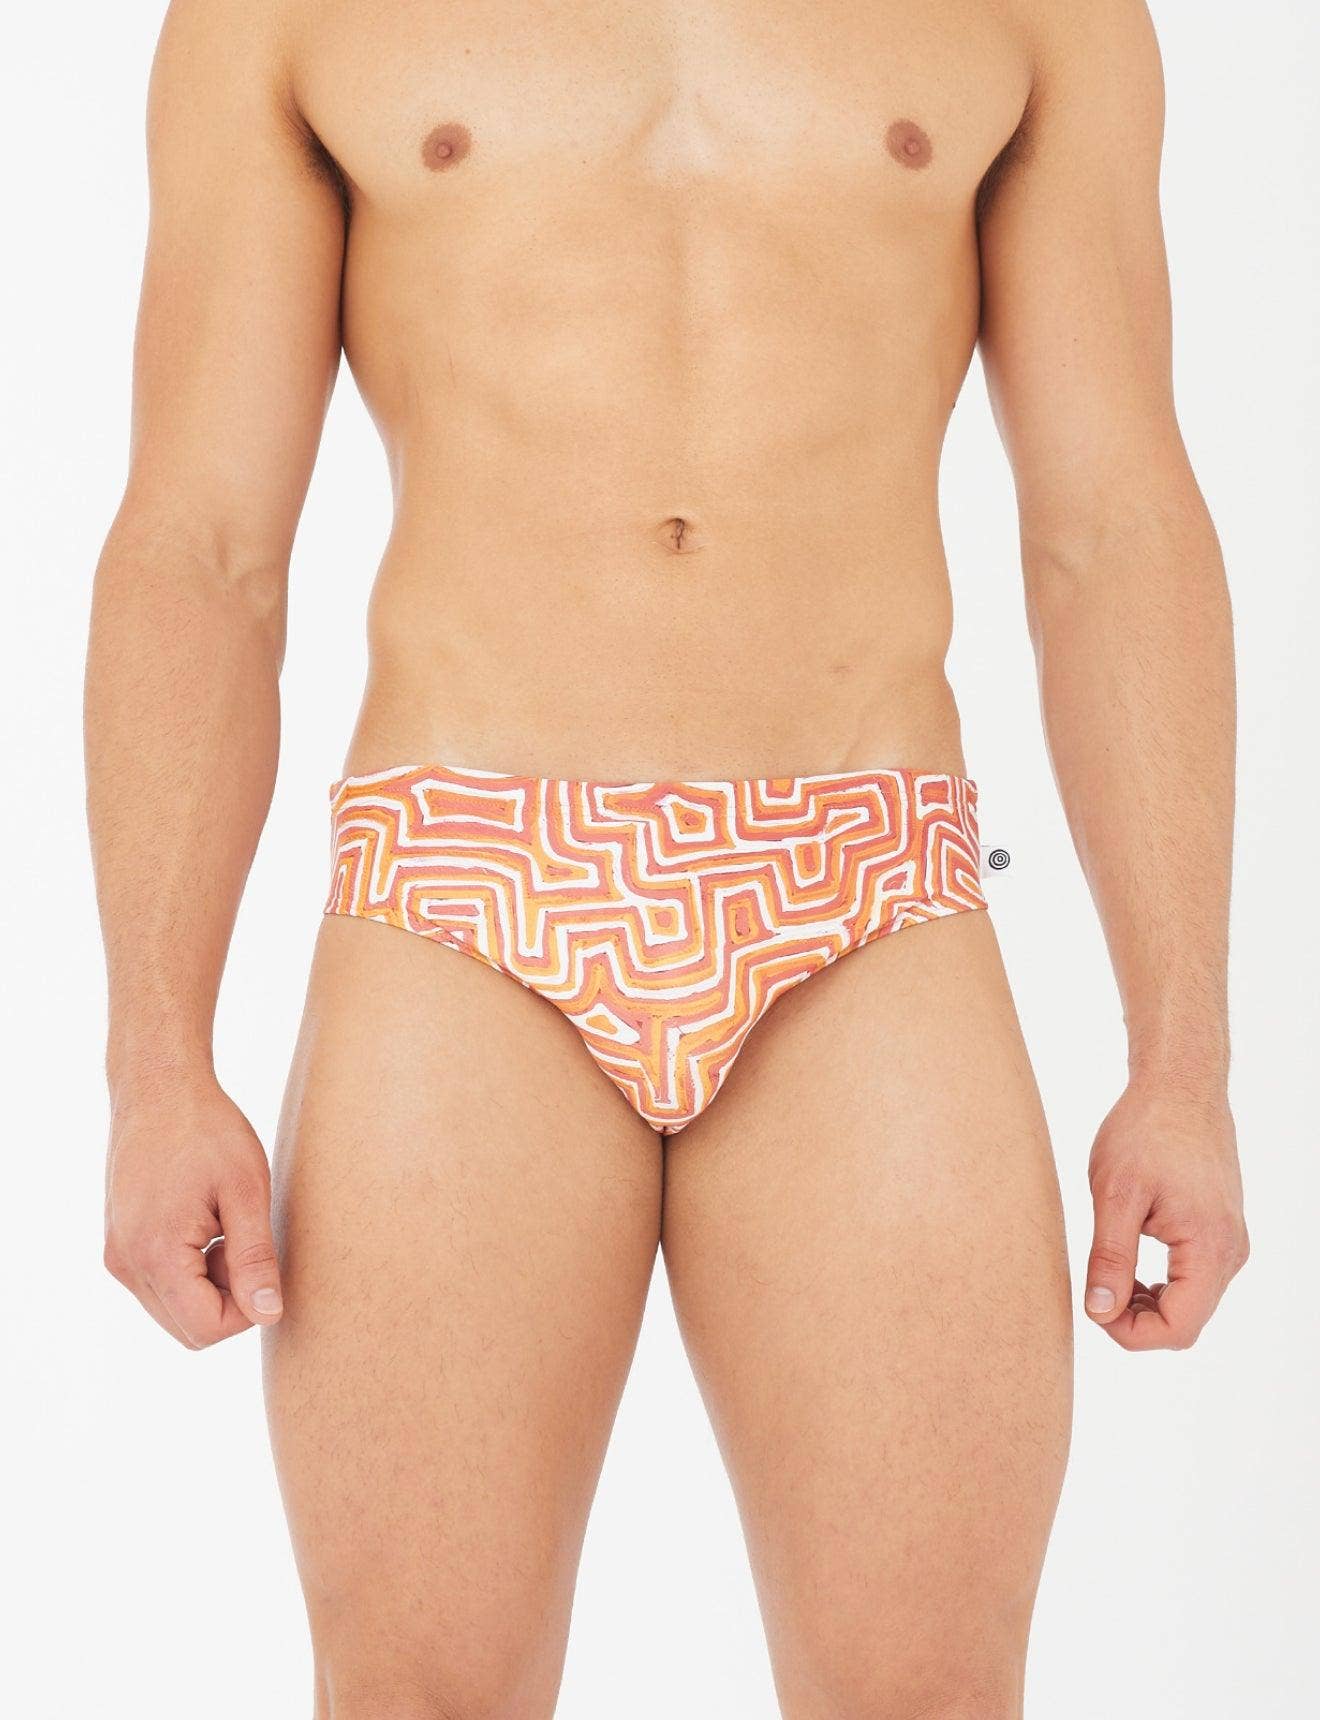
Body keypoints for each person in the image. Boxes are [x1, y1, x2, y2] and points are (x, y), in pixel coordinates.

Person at [85, 0, 1248, 1713]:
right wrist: (155, 1061)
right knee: (417, 1695)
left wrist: (1186, 1062)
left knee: (929, 1695)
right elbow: (202, 542)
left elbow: (1113, 523)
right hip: (465, 873)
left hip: (864, 871)